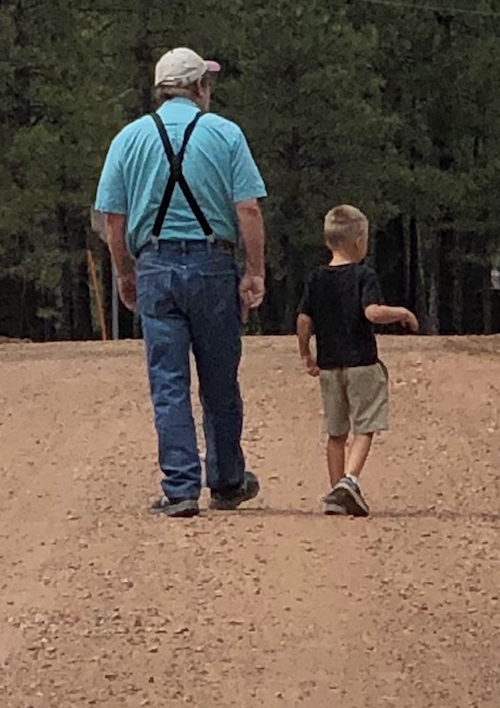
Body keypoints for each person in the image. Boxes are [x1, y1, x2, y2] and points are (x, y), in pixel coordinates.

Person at [95, 47, 267, 518]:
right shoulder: (226, 134)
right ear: (199, 89)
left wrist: (124, 272)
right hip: (214, 265)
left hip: (155, 266)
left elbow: (112, 217)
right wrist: (255, 271)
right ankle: (228, 481)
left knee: (168, 382)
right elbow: (248, 209)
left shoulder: (128, 138)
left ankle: (180, 488)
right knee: (219, 380)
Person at [296, 204, 418, 517]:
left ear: (327, 241)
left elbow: (304, 321)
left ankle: (336, 491)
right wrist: (401, 313)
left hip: (329, 365)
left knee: (336, 432)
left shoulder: (316, 278)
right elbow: (372, 312)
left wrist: (306, 354)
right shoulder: (364, 275)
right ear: (360, 241)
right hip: (362, 363)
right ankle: (349, 481)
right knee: (365, 426)